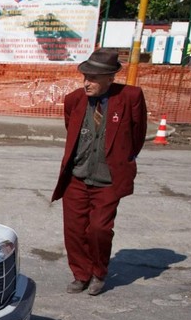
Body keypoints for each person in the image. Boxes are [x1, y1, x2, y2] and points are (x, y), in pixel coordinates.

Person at [51, 48, 147, 296]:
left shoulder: (131, 97)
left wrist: (121, 158)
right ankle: (81, 274)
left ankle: (99, 272)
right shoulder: (74, 100)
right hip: (77, 177)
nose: (87, 83)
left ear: (110, 78)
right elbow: (71, 130)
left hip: (108, 180)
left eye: (93, 78)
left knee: (99, 229)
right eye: (85, 77)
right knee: (74, 230)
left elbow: (137, 136)